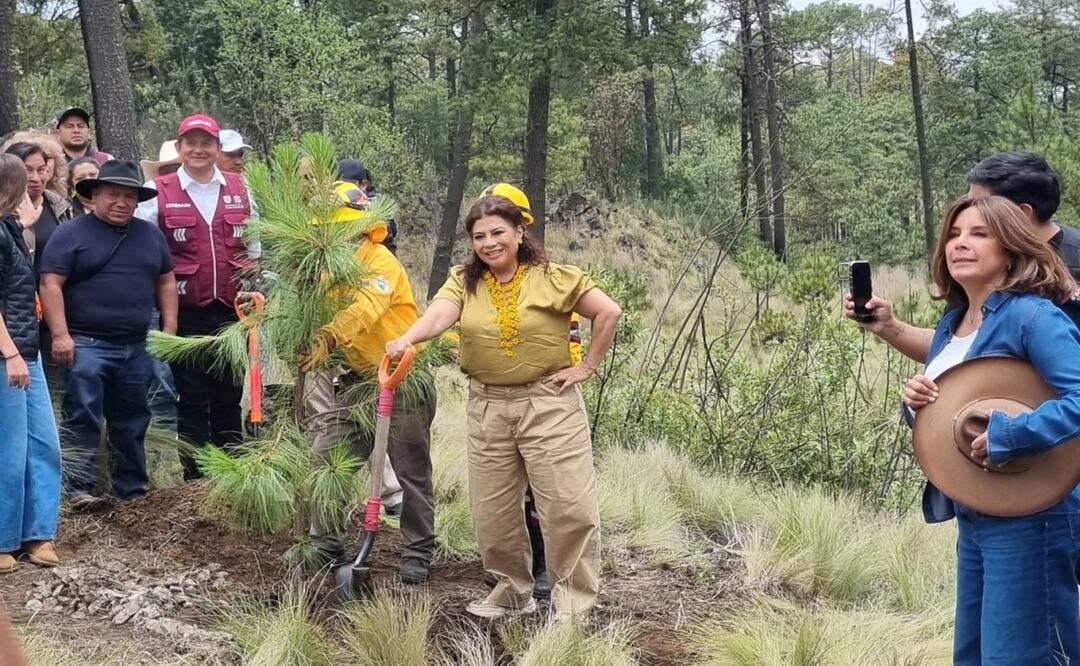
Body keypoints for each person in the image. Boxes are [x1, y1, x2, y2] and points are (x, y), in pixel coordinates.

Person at [386, 193, 622, 620]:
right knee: (493, 509)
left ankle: (573, 602)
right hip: (488, 404)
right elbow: (439, 316)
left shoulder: (553, 277)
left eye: (498, 232)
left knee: (568, 506)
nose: (489, 243)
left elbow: (607, 312)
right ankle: (511, 593)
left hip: (548, 403)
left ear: (519, 231)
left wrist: (586, 367)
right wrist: (408, 338)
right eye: (479, 236)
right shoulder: (464, 281)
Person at [898, 195, 1080, 663]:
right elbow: (951, 415)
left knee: (1023, 655)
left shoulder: (1032, 316)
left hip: (1032, 517)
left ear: (1012, 247)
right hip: (976, 514)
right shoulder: (952, 325)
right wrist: (917, 403)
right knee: (975, 655)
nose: (960, 244)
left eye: (979, 234)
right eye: (954, 235)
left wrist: (1011, 435)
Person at [297, 182, 436, 583]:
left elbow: (364, 310)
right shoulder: (326, 269)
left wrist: (328, 337)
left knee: (410, 470)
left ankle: (417, 551)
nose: (332, 236)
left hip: (403, 377)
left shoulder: (381, 262)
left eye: (339, 227)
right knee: (327, 458)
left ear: (361, 226)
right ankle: (326, 545)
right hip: (357, 381)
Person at [845, 151, 1080, 358]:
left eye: (980, 205)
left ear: (1021, 213)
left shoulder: (1068, 272)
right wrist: (889, 326)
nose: (968, 212)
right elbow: (959, 348)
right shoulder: (979, 267)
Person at [39, 160, 177, 509]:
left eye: (129, 196)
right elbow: (50, 284)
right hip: (86, 343)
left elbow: (166, 281)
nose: (121, 202)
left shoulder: (150, 235)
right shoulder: (70, 233)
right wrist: (60, 334)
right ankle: (79, 489)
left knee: (133, 418)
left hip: (137, 344)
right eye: (113, 194)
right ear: (95, 195)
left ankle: (132, 490)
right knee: (82, 414)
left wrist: (169, 331)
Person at [135, 115, 259, 479]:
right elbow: (143, 251)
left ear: (217, 148)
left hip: (234, 313)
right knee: (191, 397)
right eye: (191, 142)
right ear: (180, 148)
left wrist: (255, 291)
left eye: (207, 143)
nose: (199, 149)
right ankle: (195, 477)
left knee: (229, 396)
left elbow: (254, 248)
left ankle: (230, 473)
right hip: (183, 312)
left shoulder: (242, 189)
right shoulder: (157, 191)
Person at [0, 153, 62, 572]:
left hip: (28, 353)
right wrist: (10, 354)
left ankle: (38, 533)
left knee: (43, 443)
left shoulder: (9, 228)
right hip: (8, 355)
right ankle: (3, 540)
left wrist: (24, 224)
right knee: (9, 448)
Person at [4, 141, 70, 397]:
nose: (35, 177)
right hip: (13, 322)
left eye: (41, 169)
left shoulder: (60, 207)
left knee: (53, 395)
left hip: (49, 313)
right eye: (27, 170)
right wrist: (21, 224)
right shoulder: (7, 217)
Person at [338, 159, 397, 253]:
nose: (340, 190)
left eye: (347, 187)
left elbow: (388, 230)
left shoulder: (377, 202)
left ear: (363, 185)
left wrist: (349, 205)